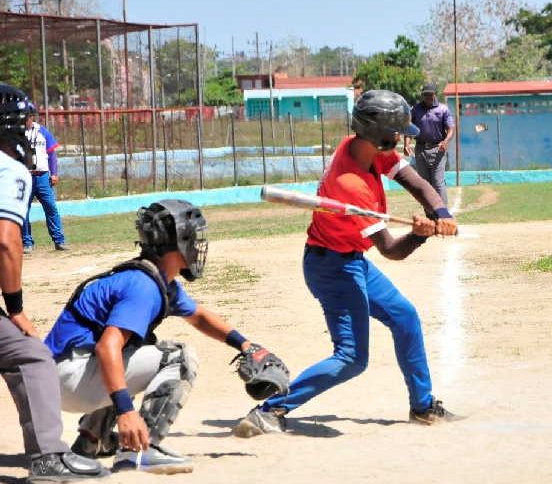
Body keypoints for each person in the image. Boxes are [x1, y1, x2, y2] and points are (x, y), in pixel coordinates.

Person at [233, 89, 460, 438]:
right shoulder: (350, 186)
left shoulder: (364, 149)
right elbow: (391, 250)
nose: (401, 139)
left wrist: (440, 213)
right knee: (352, 357)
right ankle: (271, 409)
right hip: (331, 269)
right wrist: (421, 234)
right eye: (397, 133)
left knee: (405, 317)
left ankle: (422, 405)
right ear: (379, 134)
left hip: (350, 259)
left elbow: (417, 183)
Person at [43, 199, 282, 474]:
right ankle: (141, 451)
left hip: (56, 378)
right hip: (71, 376)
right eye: (193, 237)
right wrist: (125, 412)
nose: (197, 246)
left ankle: (90, 441)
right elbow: (107, 347)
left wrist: (246, 345)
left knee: (137, 348)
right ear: (178, 241)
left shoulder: (154, 278)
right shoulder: (143, 286)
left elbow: (199, 317)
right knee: (178, 357)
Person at [0, 83, 109, 482]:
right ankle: (47, 457)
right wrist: (16, 309)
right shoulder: (8, 167)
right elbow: (7, 242)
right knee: (29, 354)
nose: (30, 127)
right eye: (23, 121)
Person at [23, 104, 68, 253]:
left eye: (28, 116)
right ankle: (27, 243)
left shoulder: (43, 131)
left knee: (51, 208)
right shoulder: (16, 133)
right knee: (23, 211)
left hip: (42, 177)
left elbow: (52, 154)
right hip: (25, 177)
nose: (25, 119)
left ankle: (59, 241)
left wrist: (54, 173)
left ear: (32, 116)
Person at [403, 82, 454, 210]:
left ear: (434, 94)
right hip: (420, 150)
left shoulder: (443, 109)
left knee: (437, 183)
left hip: (438, 149)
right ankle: (430, 214)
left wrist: (446, 141)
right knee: (425, 184)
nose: (427, 97)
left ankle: (443, 214)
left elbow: (451, 128)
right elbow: (409, 127)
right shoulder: (416, 110)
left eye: (430, 94)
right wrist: (406, 144)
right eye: (425, 95)